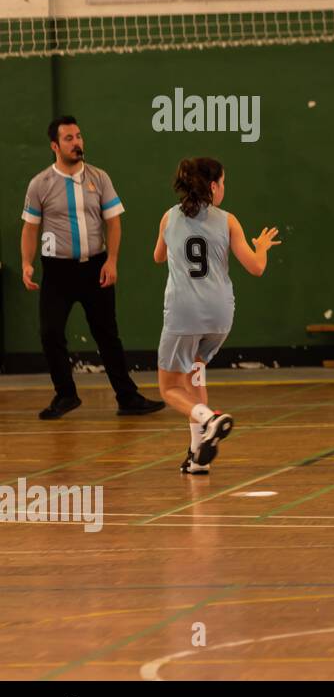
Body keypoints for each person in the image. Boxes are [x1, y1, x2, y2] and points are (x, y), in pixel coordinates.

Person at [20, 116, 165, 419]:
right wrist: (26, 263)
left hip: (95, 268)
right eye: (69, 138)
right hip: (57, 272)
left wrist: (111, 261)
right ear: (54, 146)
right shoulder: (40, 184)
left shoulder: (99, 178)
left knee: (107, 334)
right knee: (50, 332)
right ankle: (66, 395)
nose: (77, 143)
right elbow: (30, 228)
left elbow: (113, 222)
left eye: (79, 136)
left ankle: (127, 397)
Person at [153, 158, 279, 474]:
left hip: (184, 313)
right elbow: (256, 267)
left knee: (169, 389)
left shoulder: (169, 218)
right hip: (220, 314)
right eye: (223, 182)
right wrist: (261, 246)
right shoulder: (229, 220)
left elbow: (157, 257)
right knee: (196, 370)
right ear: (213, 186)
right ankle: (197, 455)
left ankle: (209, 418)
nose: (224, 188)